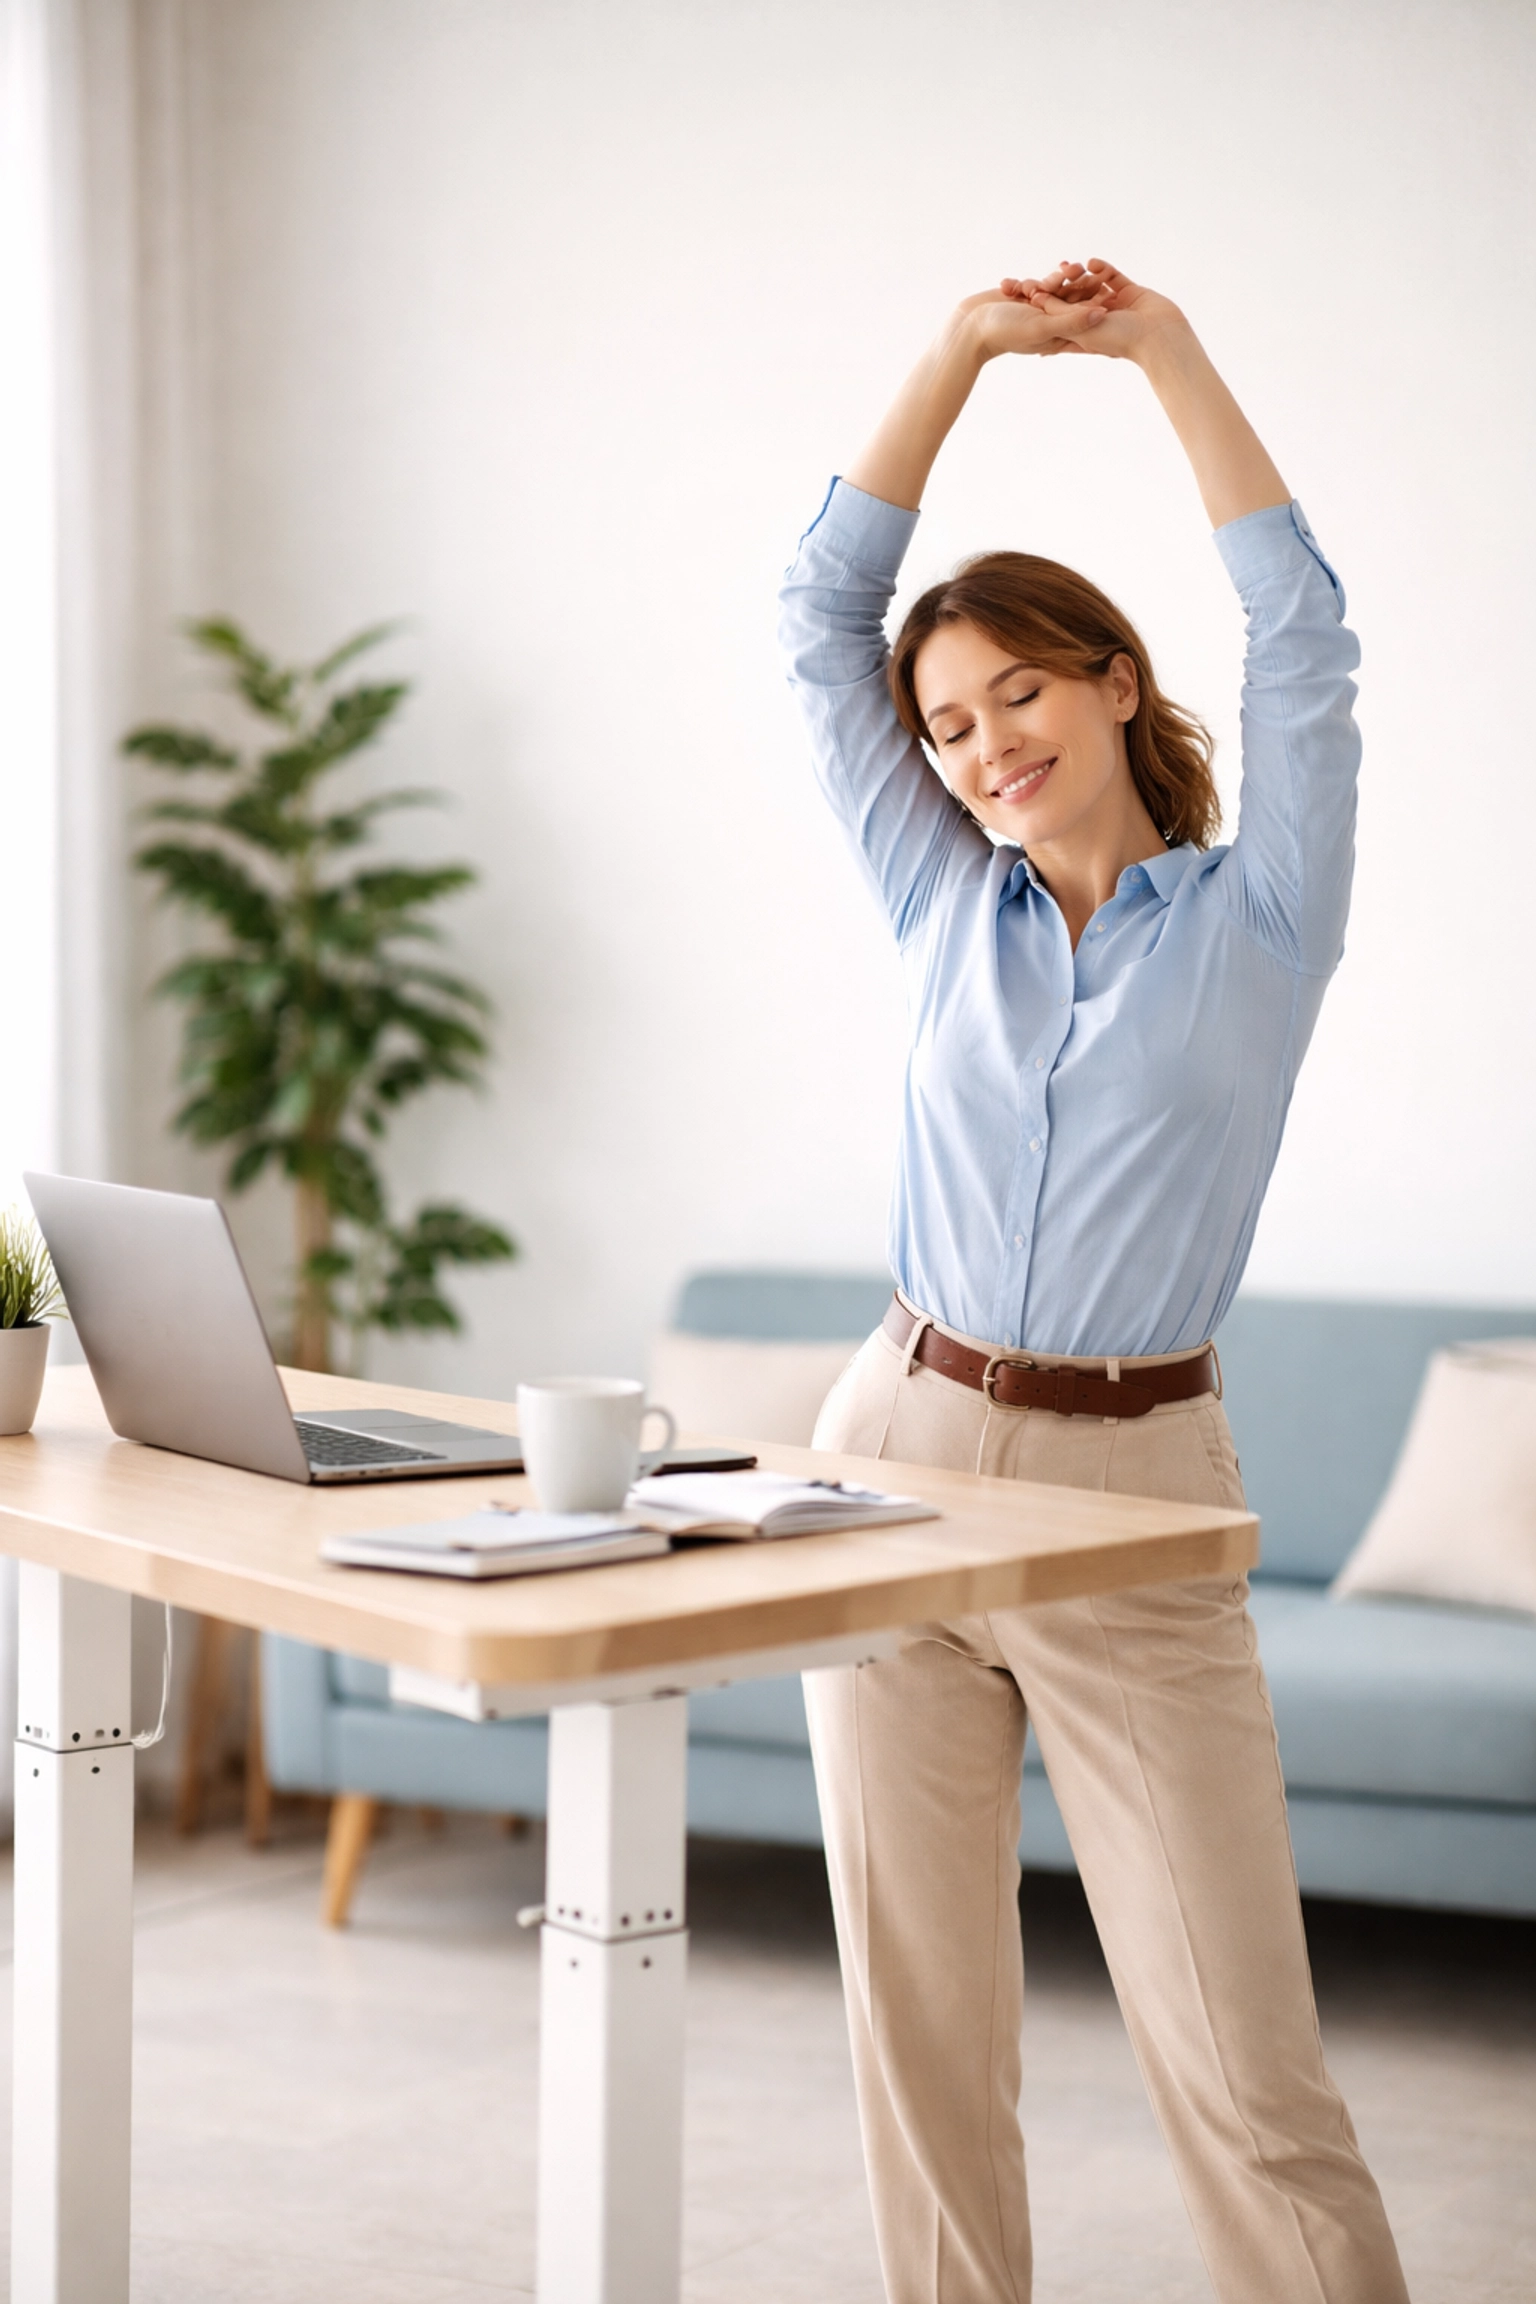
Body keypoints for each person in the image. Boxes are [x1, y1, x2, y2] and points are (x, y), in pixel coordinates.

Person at [776, 259, 1410, 2304]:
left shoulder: (1265, 917)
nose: (980, 748)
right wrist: (950, 355)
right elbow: (812, 628)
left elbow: (1303, 635)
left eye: (1020, 695)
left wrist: (1161, 354)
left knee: (1245, 2063)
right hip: (888, 1456)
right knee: (925, 2049)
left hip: (1136, 1492)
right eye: (948, 725)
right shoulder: (938, 903)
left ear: (1115, 681)